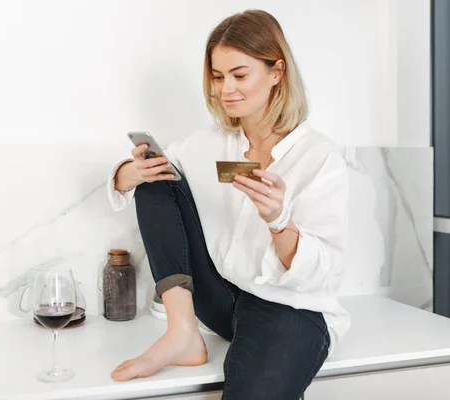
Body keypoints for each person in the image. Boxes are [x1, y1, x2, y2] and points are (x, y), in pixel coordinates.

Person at [106, 9, 350, 400]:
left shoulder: (318, 157)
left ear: (277, 72)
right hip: (221, 298)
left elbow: (323, 274)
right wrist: (130, 173)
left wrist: (278, 220)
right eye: (218, 77)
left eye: (240, 75)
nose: (226, 89)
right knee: (158, 177)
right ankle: (181, 332)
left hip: (289, 309)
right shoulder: (208, 144)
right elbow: (138, 186)